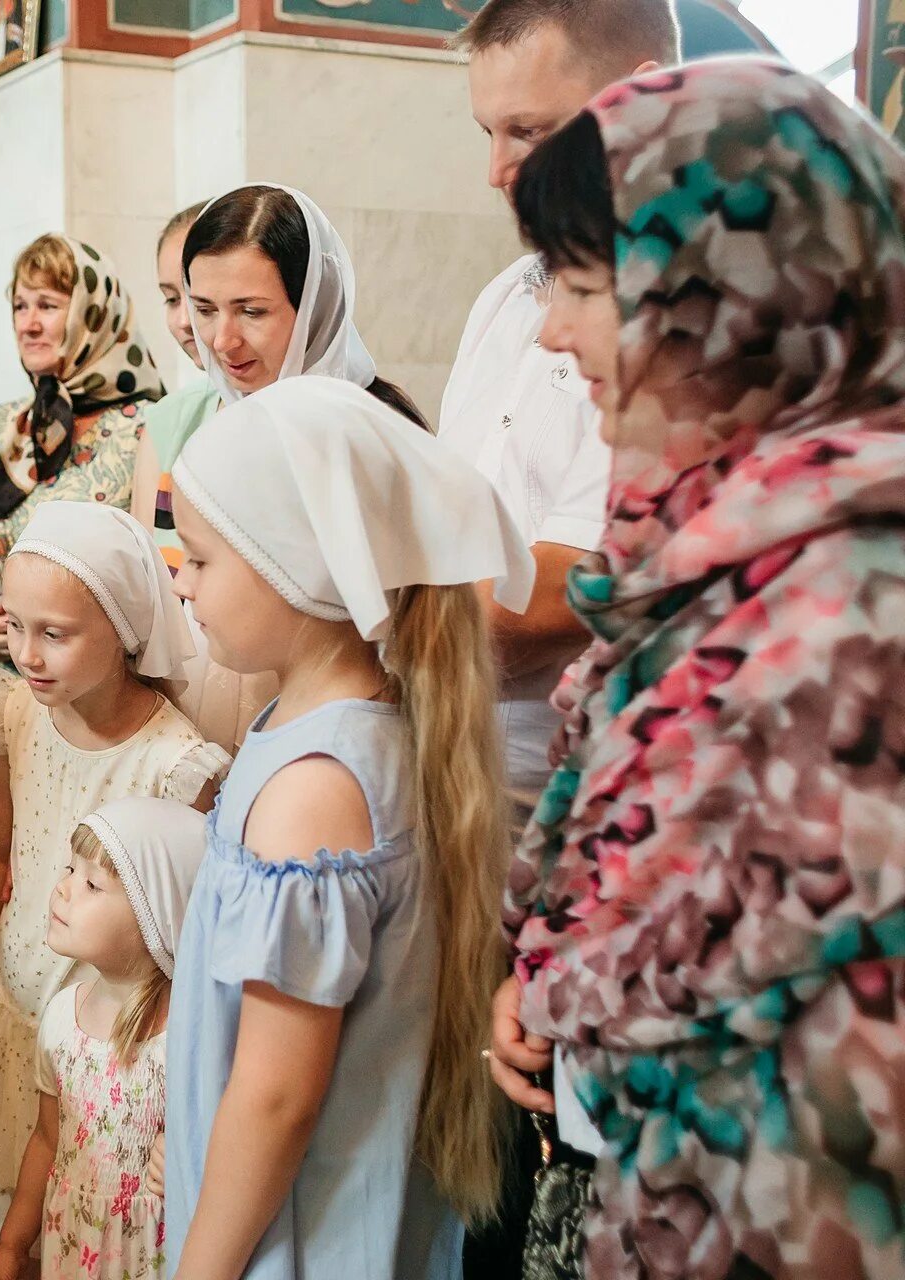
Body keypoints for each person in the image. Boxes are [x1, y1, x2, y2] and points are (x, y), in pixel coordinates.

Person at [494, 60, 905, 1279]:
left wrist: (566, 988)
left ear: (734, 295)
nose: (554, 332)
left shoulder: (852, 604)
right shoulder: (692, 542)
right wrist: (536, 967)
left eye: (579, 285)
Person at [164, 377, 533, 1279]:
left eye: (204, 559)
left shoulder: (313, 791)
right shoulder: (335, 726)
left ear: (300, 564)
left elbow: (277, 1097)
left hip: (296, 1240)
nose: (181, 579)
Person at [0, 501, 228, 1222]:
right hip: (15, 1005)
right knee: (20, 1207)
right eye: (17, 627)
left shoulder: (175, 764)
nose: (26, 655)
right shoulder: (18, 715)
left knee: (87, 1215)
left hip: (111, 1041)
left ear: (124, 629)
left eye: (54, 635)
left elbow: (182, 932)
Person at [443, 0, 679, 824]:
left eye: (530, 132)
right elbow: (452, 513)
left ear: (641, 101)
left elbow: (557, 595)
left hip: (562, 779)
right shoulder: (504, 300)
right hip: (450, 749)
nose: (498, 170)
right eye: (487, 134)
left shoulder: (673, 312)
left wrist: (352, 586)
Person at [0, 234, 162, 962]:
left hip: (85, 713)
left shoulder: (139, 431)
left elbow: (152, 581)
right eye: (21, 305)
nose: (29, 322)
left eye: (50, 304)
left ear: (94, 314)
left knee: (72, 904)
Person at [0, 796, 208, 1280]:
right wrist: (11, 1245)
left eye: (91, 883)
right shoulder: (63, 1017)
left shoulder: (185, 1042)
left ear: (157, 918)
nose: (62, 889)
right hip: (72, 1247)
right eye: (69, 870)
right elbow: (46, 1138)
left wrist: (191, 1164)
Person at [181, 182, 426, 424]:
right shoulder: (213, 419)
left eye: (251, 312)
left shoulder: (363, 431)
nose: (223, 341)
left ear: (314, 311)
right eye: (205, 310)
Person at [131, 200, 215, 571]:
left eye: (200, 299)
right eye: (170, 298)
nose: (183, 320)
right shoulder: (169, 419)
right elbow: (146, 576)